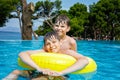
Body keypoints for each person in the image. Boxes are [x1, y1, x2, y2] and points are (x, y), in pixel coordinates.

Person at [3, 31, 88, 80]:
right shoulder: (43, 51)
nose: (51, 46)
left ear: (60, 42)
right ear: (44, 46)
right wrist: (38, 68)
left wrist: (61, 72)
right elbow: (22, 54)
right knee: (16, 71)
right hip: (39, 72)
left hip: (59, 75)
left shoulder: (66, 52)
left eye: (54, 42)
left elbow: (84, 60)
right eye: (48, 44)